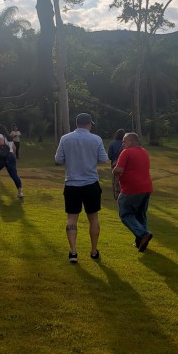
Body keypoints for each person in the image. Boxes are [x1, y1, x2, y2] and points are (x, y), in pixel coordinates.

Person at [54, 112, 109, 263]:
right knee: (93, 218)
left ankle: (73, 251)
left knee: (72, 218)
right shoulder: (96, 139)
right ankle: (93, 251)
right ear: (89, 124)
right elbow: (104, 159)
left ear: (76, 124)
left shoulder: (65, 139)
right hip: (91, 183)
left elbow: (58, 159)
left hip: (72, 183)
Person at [112, 132, 154, 252]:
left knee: (125, 215)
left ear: (131, 141)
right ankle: (140, 242)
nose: (123, 143)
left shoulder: (126, 152)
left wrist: (114, 170)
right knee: (140, 215)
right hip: (146, 188)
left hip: (131, 189)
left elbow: (119, 169)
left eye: (125, 141)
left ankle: (143, 234)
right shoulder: (144, 152)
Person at [0, 124, 23, 198]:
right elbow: (14, 148)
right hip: (11, 155)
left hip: (3, 157)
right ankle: (20, 192)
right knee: (14, 175)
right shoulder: (9, 137)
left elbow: (1, 143)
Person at [108, 128, 126, 198]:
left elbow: (110, 156)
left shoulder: (112, 143)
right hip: (124, 163)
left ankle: (116, 194)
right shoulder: (125, 143)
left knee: (115, 179)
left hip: (115, 163)